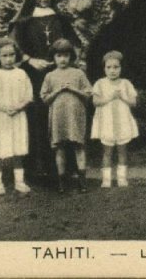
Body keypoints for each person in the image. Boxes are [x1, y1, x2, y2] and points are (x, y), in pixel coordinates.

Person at [9, 0, 81, 182]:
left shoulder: (59, 19)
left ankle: (64, 169)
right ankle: (39, 169)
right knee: (38, 117)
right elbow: (12, 46)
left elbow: (74, 43)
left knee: (61, 114)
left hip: (58, 73)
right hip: (35, 76)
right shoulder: (23, 21)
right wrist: (30, 60)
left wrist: (65, 60)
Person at [0, 38, 33, 195]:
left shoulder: (21, 73)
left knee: (17, 149)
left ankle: (19, 181)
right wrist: (4, 108)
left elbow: (28, 96)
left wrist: (17, 107)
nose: (9, 59)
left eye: (12, 55)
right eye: (4, 55)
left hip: (16, 116)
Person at [40, 39, 92, 194]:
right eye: (58, 56)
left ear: (71, 57)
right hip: (58, 117)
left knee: (79, 146)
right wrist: (57, 91)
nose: (62, 59)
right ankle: (62, 182)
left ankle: (82, 182)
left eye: (66, 55)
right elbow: (44, 98)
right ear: (53, 57)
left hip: (75, 116)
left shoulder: (78, 73)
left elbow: (89, 93)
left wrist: (74, 89)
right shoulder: (50, 76)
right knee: (59, 148)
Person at [91, 51, 139, 188]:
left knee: (122, 150)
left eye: (116, 67)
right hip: (107, 122)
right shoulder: (100, 83)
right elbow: (95, 102)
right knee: (107, 151)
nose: (112, 70)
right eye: (109, 67)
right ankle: (106, 179)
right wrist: (110, 97)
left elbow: (133, 102)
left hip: (122, 121)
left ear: (121, 68)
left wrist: (122, 97)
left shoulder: (126, 83)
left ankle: (122, 178)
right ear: (104, 68)